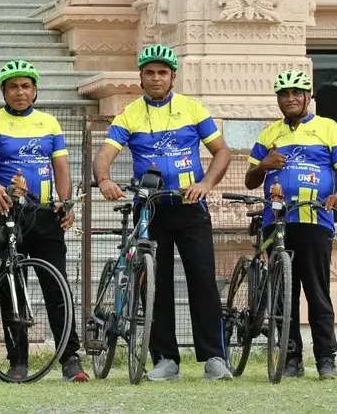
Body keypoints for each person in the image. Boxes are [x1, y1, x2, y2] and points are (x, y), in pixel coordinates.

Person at [93, 44, 234, 381]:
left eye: (162, 72)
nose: (156, 78)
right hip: (151, 211)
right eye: (149, 72)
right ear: (140, 77)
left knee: (203, 283)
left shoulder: (192, 108)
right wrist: (104, 179)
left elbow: (221, 152)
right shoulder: (129, 114)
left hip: (190, 208)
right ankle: (165, 360)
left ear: (173, 76)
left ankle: (215, 358)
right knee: (155, 286)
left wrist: (206, 184)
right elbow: (104, 154)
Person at [0, 59, 90, 383]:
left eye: (26, 86)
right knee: (11, 288)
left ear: (35, 90)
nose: (20, 91)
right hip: (6, 213)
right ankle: (18, 360)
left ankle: (70, 358)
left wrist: (65, 202)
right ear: (4, 91)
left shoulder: (49, 123)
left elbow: (62, 168)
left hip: (43, 214)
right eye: (13, 86)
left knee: (57, 286)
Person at [244, 70, 337, 380]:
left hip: (315, 219)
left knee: (317, 292)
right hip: (276, 221)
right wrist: (264, 164)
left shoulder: (328, 128)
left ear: (309, 97)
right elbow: (250, 180)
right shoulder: (269, 134)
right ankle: (291, 358)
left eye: (296, 93)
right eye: (284, 94)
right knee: (282, 295)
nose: (289, 98)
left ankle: (326, 359)